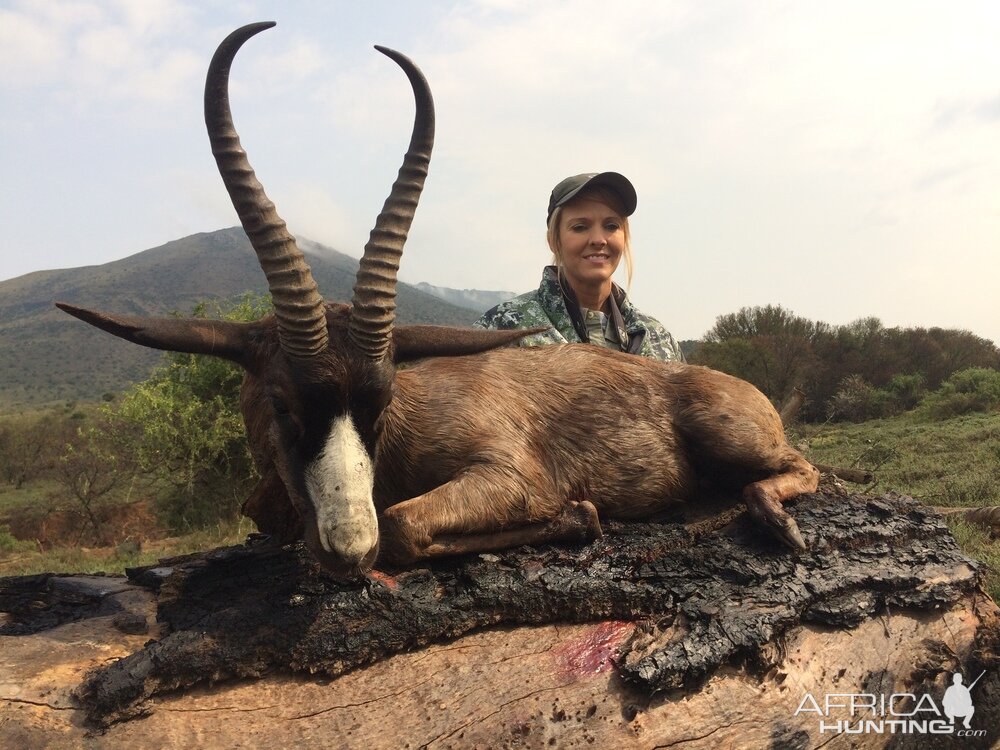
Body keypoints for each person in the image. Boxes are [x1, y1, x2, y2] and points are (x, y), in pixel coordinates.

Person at [474, 172, 684, 362]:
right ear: (554, 241)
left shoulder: (658, 339)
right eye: (580, 227)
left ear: (625, 237)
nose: (598, 239)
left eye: (611, 226)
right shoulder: (504, 329)